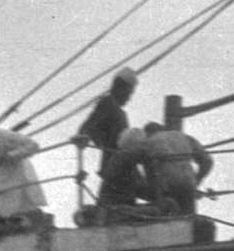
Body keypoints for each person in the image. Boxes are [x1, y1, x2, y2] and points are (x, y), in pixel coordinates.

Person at [0, 99, 49, 234]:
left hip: (14, 180)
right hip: (2, 181)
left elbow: (33, 145)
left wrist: (12, 156)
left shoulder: (3, 135)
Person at [74, 72, 143, 208]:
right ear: (119, 88)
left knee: (122, 198)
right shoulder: (108, 103)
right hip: (116, 162)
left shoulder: (117, 109)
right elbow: (87, 127)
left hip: (120, 163)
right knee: (118, 200)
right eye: (128, 93)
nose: (129, 98)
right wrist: (92, 140)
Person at [122, 119, 215, 217]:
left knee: (167, 220)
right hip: (188, 183)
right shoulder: (182, 137)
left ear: (147, 134)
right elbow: (207, 161)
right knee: (187, 221)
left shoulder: (148, 142)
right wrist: (197, 180)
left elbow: (150, 173)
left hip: (166, 186)